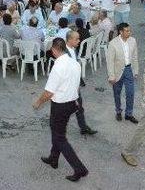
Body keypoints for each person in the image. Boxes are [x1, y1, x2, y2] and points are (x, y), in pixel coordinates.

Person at [32, 37, 89, 183]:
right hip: (72, 103)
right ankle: (53, 158)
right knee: (57, 130)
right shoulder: (75, 63)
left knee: (60, 137)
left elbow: (49, 92)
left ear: (54, 50)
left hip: (60, 106)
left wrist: (38, 102)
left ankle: (79, 168)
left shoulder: (58, 66)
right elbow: (76, 85)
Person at [64, 30, 97, 135]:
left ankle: (83, 128)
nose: (79, 41)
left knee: (79, 108)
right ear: (69, 40)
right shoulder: (65, 54)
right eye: (77, 39)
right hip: (69, 87)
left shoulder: (73, 50)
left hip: (74, 86)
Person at [106, 23, 139, 123]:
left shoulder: (133, 41)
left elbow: (135, 57)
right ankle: (118, 111)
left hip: (129, 70)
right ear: (121, 32)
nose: (130, 32)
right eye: (127, 31)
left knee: (130, 93)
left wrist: (136, 70)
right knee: (117, 93)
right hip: (117, 72)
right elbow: (110, 61)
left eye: (130, 30)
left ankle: (129, 114)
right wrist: (111, 76)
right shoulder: (113, 43)